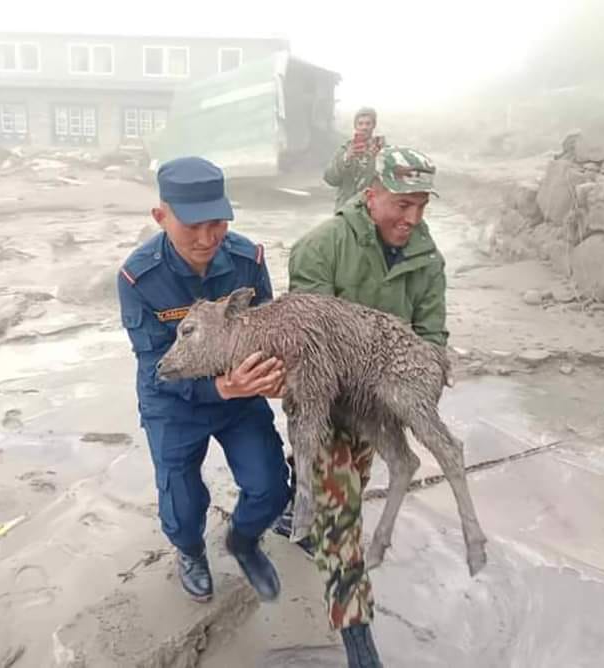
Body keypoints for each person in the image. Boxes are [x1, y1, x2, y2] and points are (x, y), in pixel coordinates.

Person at [285, 146, 448, 668]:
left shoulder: (426, 259)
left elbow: (432, 339)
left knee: (349, 481)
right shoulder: (322, 248)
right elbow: (309, 348)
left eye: (422, 205)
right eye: (403, 204)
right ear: (371, 193)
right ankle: (361, 649)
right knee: (343, 519)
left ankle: (299, 506)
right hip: (327, 404)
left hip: (381, 410)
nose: (413, 218)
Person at [117, 156, 291, 604]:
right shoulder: (139, 277)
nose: (206, 238)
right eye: (192, 225)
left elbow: (269, 327)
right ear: (161, 217)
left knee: (271, 485)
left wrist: (273, 377)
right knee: (182, 499)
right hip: (174, 401)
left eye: (217, 223)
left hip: (239, 396)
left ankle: (245, 539)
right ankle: (191, 551)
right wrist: (217, 387)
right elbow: (156, 363)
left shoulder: (246, 259)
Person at [323, 107, 386, 213]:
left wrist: (378, 158)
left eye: (368, 123)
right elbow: (330, 179)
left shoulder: (382, 150)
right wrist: (346, 158)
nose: (364, 127)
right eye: (360, 124)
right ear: (355, 126)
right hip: (346, 209)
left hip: (372, 209)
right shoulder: (345, 149)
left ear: (373, 125)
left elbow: (389, 182)